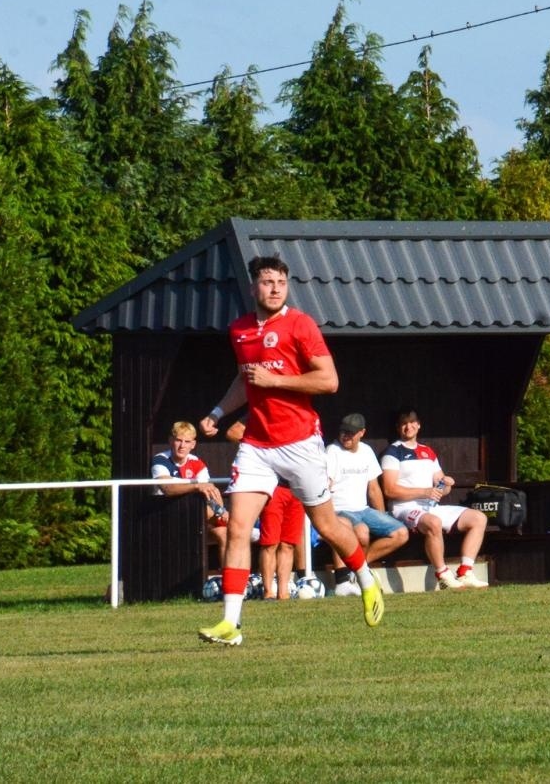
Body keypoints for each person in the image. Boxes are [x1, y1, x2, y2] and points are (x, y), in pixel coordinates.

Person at [197, 255, 384, 646]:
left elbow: (328, 381)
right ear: (254, 287)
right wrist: (217, 411)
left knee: (328, 526)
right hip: (257, 445)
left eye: (281, 281)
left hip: (300, 442)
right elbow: (245, 379)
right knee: (236, 527)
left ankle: (367, 579)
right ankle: (231, 624)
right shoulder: (240, 330)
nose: (275, 288)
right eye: (267, 282)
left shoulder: (300, 324)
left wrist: (275, 380)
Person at [381, 408, 490, 589]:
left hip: (430, 506)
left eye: (412, 422)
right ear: (398, 427)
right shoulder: (392, 452)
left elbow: (440, 486)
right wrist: (425, 492)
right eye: (404, 423)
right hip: (404, 508)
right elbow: (390, 490)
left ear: (418, 425)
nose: (408, 427)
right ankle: (442, 574)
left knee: (479, 518)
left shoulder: (428, 452)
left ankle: (465, 572)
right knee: (433, 522)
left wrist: (446, 484)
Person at [325, 412, 411, 594]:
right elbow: (326, 484)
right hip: (339, 509)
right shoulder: (332, 451)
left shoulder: (366, 451)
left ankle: (358, 570)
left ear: (361, 433)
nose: (345, 436)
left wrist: (382, 514)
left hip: (363, 509)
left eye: (350, 433)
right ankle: (355, 575)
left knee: (401, 533)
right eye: (343, 432)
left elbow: (373, 488)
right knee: (362, 533)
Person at [152, 420, 229, 555]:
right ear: (171, 441)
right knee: (229, 521)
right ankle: (237, 523)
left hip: (193, 515)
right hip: (163, 514)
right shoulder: (160, 460)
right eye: (178, 440)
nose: (182, 446)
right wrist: (196, 486)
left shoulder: (197, 463)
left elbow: (209, 491)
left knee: (224, 533)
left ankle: (227, 576)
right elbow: (167, 489)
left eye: (187, 442)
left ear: (193, 444)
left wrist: (218, 508)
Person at [256, 483, 305, 599]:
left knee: (288, 544)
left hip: (297, 489)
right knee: (270, 544)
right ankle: (268, 592)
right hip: (274, 488)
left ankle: (283, 593)